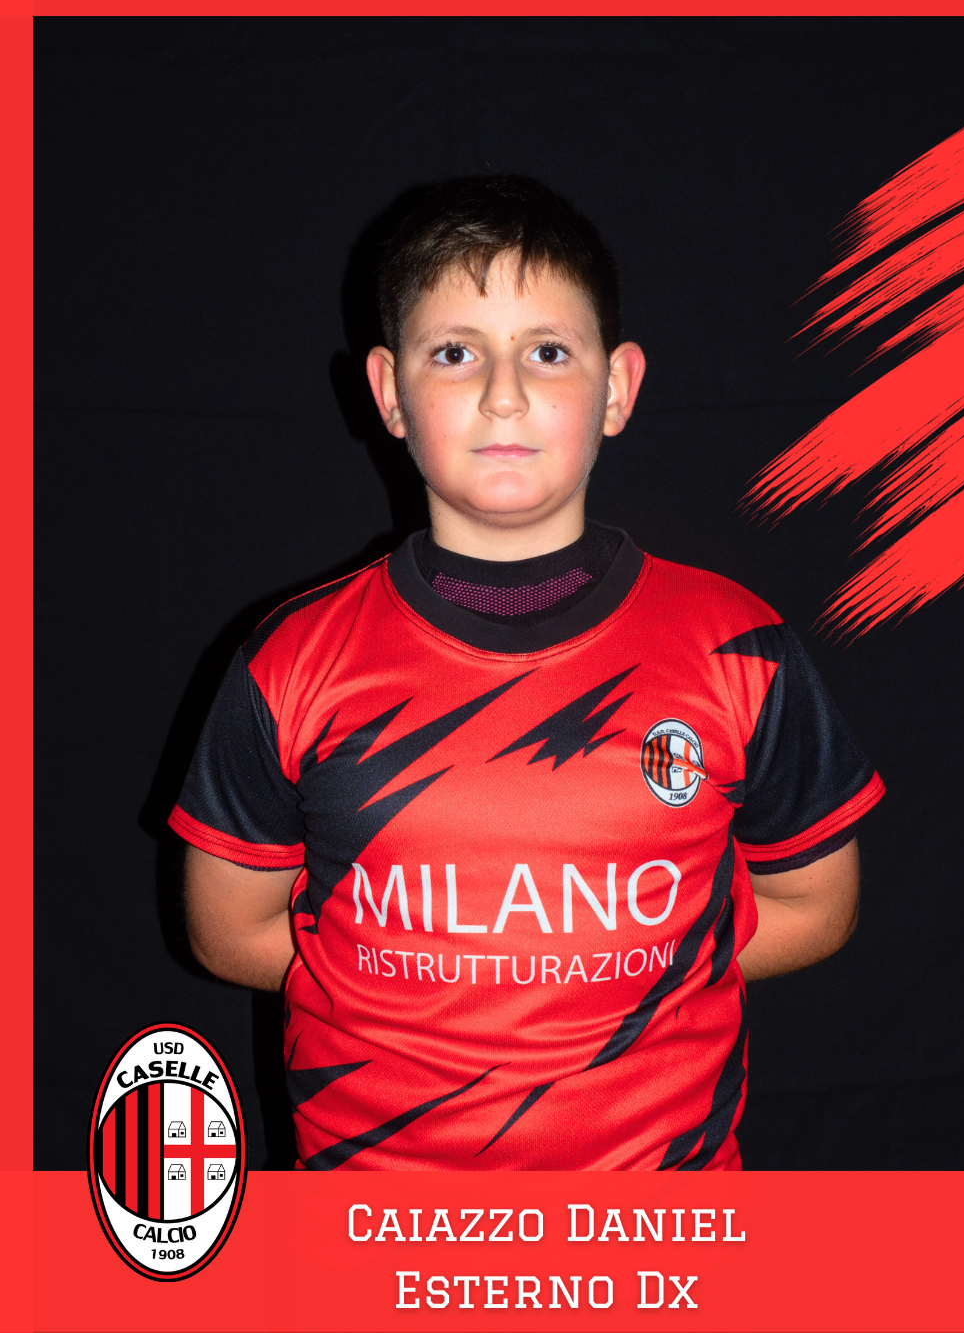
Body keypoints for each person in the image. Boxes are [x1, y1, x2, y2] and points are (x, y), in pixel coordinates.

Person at [171, 175, 884, 1171]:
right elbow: (226, 931)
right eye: (454, 353)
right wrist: (440, 986)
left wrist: (604, 981)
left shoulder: (739, 648)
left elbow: (817, 907)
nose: (502, 394)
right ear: (388, 392)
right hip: (374, 1231)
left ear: (617, 388)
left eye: (547, 352)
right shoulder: (292, 660)